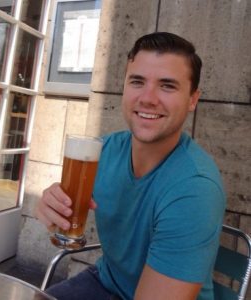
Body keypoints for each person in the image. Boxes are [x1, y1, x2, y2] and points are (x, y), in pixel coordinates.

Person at [35, 32, 226, 300]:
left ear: (193, 99)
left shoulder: (194, 189)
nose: (148, 98)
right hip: (106, 281)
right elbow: (68, 212)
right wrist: (54, 205)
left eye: (167, 86)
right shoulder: (103, 151)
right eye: (137, 81)